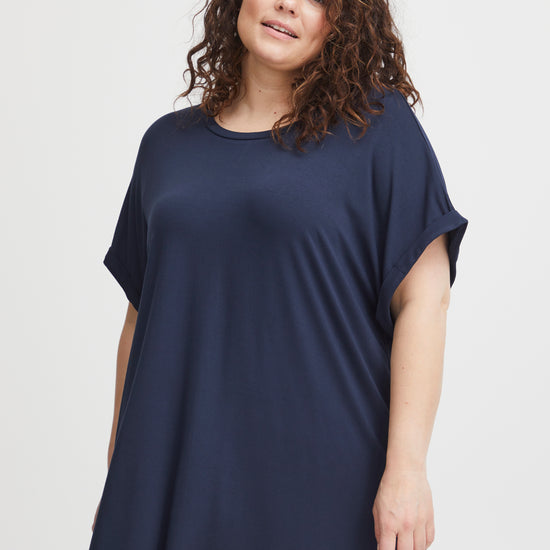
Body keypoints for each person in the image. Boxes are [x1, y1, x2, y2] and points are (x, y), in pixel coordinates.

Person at [89, 0, 469, 549]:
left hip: (320, 476)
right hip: (170, 472)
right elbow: (140, 320)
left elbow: (425, 301)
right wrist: (120, 469)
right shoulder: (165, 146)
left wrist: (407, 471)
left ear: (343, 22)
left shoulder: (377, 130)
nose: (288, 4)